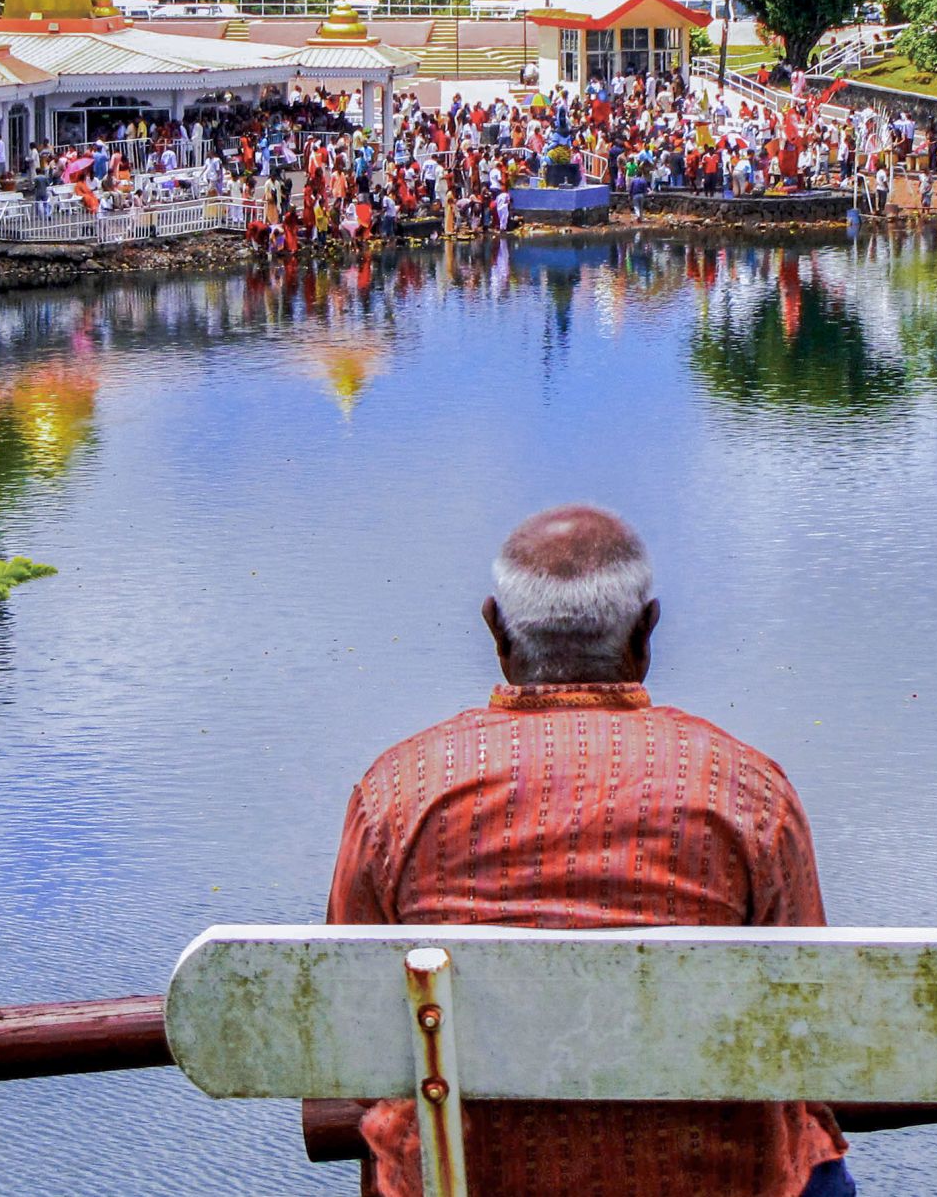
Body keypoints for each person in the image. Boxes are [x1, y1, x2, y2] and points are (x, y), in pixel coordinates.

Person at [329, 505, 851, 1197]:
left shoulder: (397, 796)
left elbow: (343, 1029)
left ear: (497, 632)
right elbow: (808, 1023)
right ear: (646, 633)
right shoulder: (748, 794)